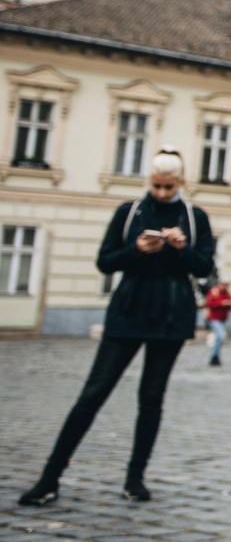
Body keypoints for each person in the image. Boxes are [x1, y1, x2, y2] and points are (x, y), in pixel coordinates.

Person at [17, 148, 216, 506]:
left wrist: (183, 248)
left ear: (181, 183)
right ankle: (50, 477)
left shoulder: (194, 216)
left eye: (169, 187)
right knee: (93, 392)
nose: (161, 193)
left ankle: (135, 478)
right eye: (156, 185)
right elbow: (105, 262)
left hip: (171, 316)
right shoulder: (129, 213)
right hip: (128, 310)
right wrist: (136, 249)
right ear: (149, 181)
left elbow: (203, 267)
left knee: (151, 399)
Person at [204, 280, 231, 366]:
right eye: (225, 285)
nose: (226, 287)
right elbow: (209, 304)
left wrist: (230, 304)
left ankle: (215, 356)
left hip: (222, 319)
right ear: (220, 284)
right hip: (213, 319)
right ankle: (214, 356)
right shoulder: (214, 292)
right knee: (220, 336)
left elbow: (230, 306)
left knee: (218, 338)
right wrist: (222, 303)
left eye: (228, 285)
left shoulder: (227, 293)